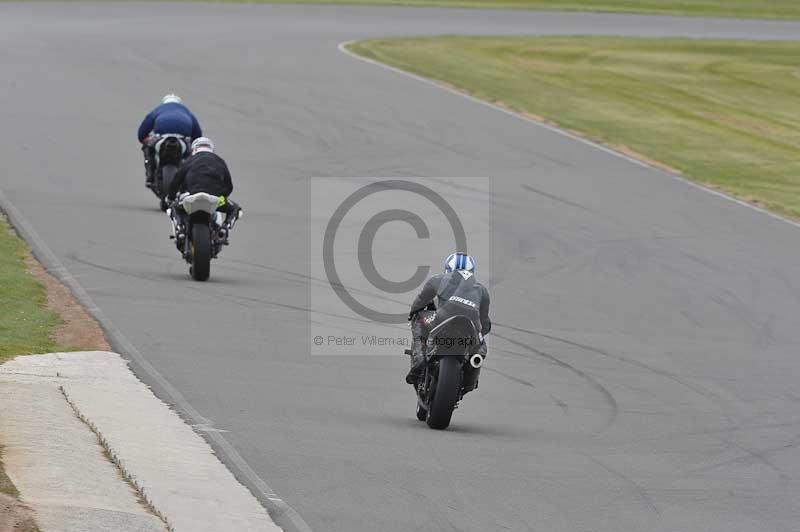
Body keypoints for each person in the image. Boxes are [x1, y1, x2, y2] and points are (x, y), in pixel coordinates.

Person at [405, 253, 491, 385]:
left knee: (418, 318)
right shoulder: (482, 290)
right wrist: (481, 332)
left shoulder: (439, 279)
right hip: (472, 323)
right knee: (481, 345)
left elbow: (421, 301)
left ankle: (419, 359)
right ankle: (471, 375)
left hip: (443, 316)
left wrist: (413, 312)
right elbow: (485, 323)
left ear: (447, 269)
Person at [167, 137, 241, 246]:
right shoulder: (220, 161)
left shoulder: (189, 160)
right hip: (216, 198)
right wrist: (221, 197)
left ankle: (180, 230)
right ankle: (225, 229)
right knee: (236, 209)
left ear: (194, 149)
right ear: (211, 149)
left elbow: (176, 180)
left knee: (174, 208)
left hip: (193, 195)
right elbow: (229, 186)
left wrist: (171, 197)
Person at [137, 94, 203, 187]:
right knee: (193, 156)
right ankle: (191, 179)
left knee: (148, 149)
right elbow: (198, 137)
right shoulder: (187, 112)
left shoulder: (157, 110)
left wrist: (145, 140)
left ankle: (150, 175)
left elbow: (142, 133)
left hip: (161, 139)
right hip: (182, 141)